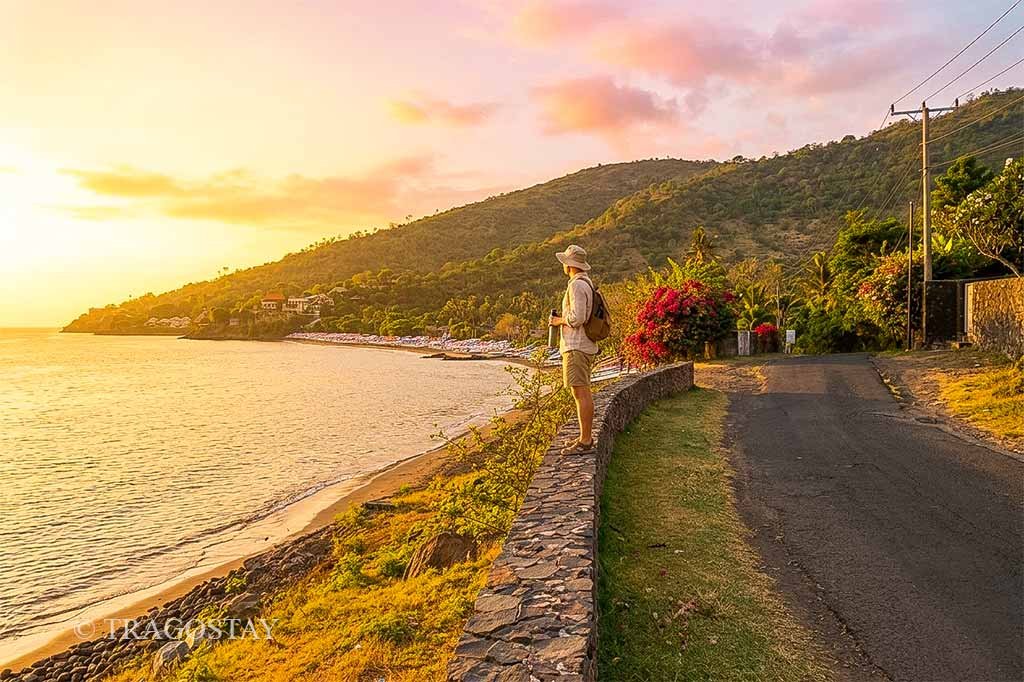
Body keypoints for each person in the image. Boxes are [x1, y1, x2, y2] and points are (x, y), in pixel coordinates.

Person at [549, 244, 598, 455]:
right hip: (583, 346)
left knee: (580, 392)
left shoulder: (576, 286)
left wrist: (558, 320)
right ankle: (583, 435)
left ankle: (585, 440)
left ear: (569, 265)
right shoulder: (586, 283)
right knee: (581, 391)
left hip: (576, 346)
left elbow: (577, 318)